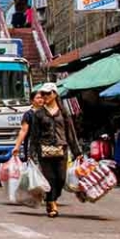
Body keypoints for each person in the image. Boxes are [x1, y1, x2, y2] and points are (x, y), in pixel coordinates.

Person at [28, 83, 82, 218]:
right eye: (43, 94)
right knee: (50, 178)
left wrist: (77, 152)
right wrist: (31, 153)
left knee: (61, 179)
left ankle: (52, 198)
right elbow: (34, 135)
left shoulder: (64, 113)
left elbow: (70, 134)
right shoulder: (39, 114)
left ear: (54, 94)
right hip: (44, 150)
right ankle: (51, 204)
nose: (44, 96)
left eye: (47, 93)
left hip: (61, 149)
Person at [12, 90, 45, 160]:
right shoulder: (28, 114)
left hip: (46, 145)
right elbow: (23, 131)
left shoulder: (47, 113)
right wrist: (17, 146)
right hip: (33, 145)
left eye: (42, 98)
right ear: (32, 101)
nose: (41, 100)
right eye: (38, 98)